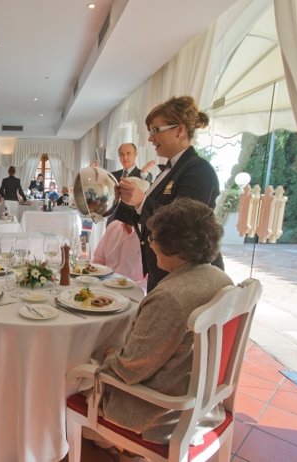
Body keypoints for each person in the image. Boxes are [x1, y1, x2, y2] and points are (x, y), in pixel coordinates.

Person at [92, 198, 231, 452]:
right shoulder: (221, 278)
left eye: (153, 239)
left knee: (75, 369)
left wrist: (105, 353)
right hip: (204, 402)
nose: (150, 245)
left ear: (173, 245)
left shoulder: (169, 297)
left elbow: (130, 368)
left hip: (162, 413)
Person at [115, 96, 223, 291]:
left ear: (180, 130)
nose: (150, 138)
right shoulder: (169, 171)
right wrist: (117, 202)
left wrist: (141, 201)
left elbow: (184, 226)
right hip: (166, 273)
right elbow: (150, 214)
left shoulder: (198, 170)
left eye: (155, 130)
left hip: (188, 280)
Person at [92, 221, 145, 287]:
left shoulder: (148, 232)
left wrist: (139, 289)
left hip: (133, 289)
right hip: (106, 284)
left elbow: (152, 274)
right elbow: (99, 258)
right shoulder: (113, 226)